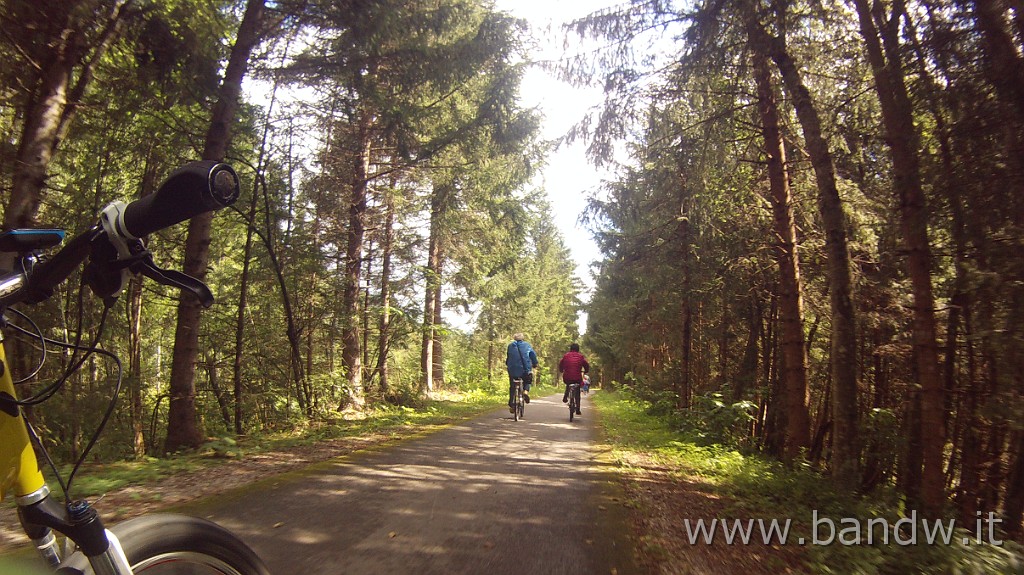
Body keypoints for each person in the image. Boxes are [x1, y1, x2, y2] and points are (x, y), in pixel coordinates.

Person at [506, 333, 538, 413]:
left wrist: (508, 365)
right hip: (525, 369)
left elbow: (508, 357)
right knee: (528, 380)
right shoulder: (527, 345)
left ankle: (512, 404)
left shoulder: (510, 346)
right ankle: (525, 391)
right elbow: (532, 355)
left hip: (512, 370)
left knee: (512, 386)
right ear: (522, 338)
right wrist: (535, 364)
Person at [559, 343, 589, 415]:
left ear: (570, 349)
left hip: (567, 377)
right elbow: (586, 364)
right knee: (577, 391)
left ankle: (565, 397)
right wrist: (586, 371)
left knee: (568, 383)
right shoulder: (581, 356)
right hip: (577, 377)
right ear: (578, 349)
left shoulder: (566, 356)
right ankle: (578, 409)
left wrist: (561, 370)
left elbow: (561, 363)